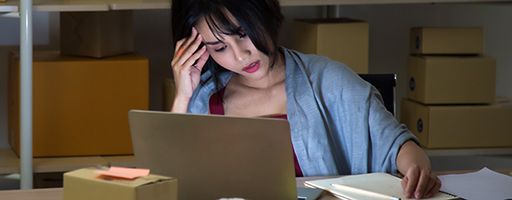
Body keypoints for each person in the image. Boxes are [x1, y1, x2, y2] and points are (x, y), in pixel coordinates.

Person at [169, 0, 441, 198]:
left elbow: (396, 144)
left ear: (265, 15)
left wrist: (417, 169)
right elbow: (173, 184)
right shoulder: (203, 100)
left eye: (243, 34)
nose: (240, 55)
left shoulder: (329, 80)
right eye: (219, 47)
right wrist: (182, 97)